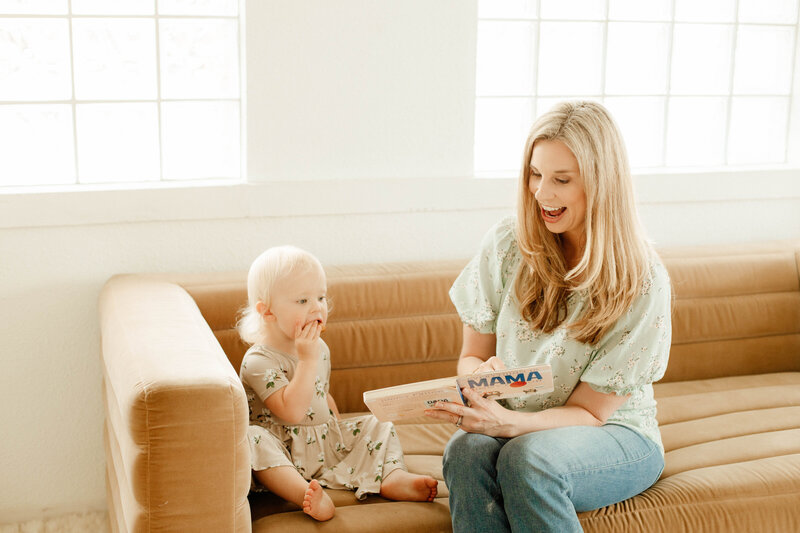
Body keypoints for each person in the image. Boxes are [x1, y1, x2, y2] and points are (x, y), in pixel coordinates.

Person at [425, 101, 671, 533]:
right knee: (465, 451)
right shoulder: (507, 244)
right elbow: (470, 357)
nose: (541, 193)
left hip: (613, 432)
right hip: (517, 420)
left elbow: (592, 413)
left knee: (529, 459)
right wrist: (479, 379)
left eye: (561, 180)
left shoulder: (641, 279)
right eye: (535, 175)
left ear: (601, 184)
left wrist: (511, 425)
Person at [237, 245, 438, 521]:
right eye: (302, 301)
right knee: (252, 438)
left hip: (322, 443)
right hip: (282, 453)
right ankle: (304, 494)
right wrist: (307, 362)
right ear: (267, 312)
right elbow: (291, 411)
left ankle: (391, 476)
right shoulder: (258, 361)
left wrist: (337, 427)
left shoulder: (318, 348)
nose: (317, 307)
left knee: (377, 423)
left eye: (321, 296)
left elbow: (322, 393)